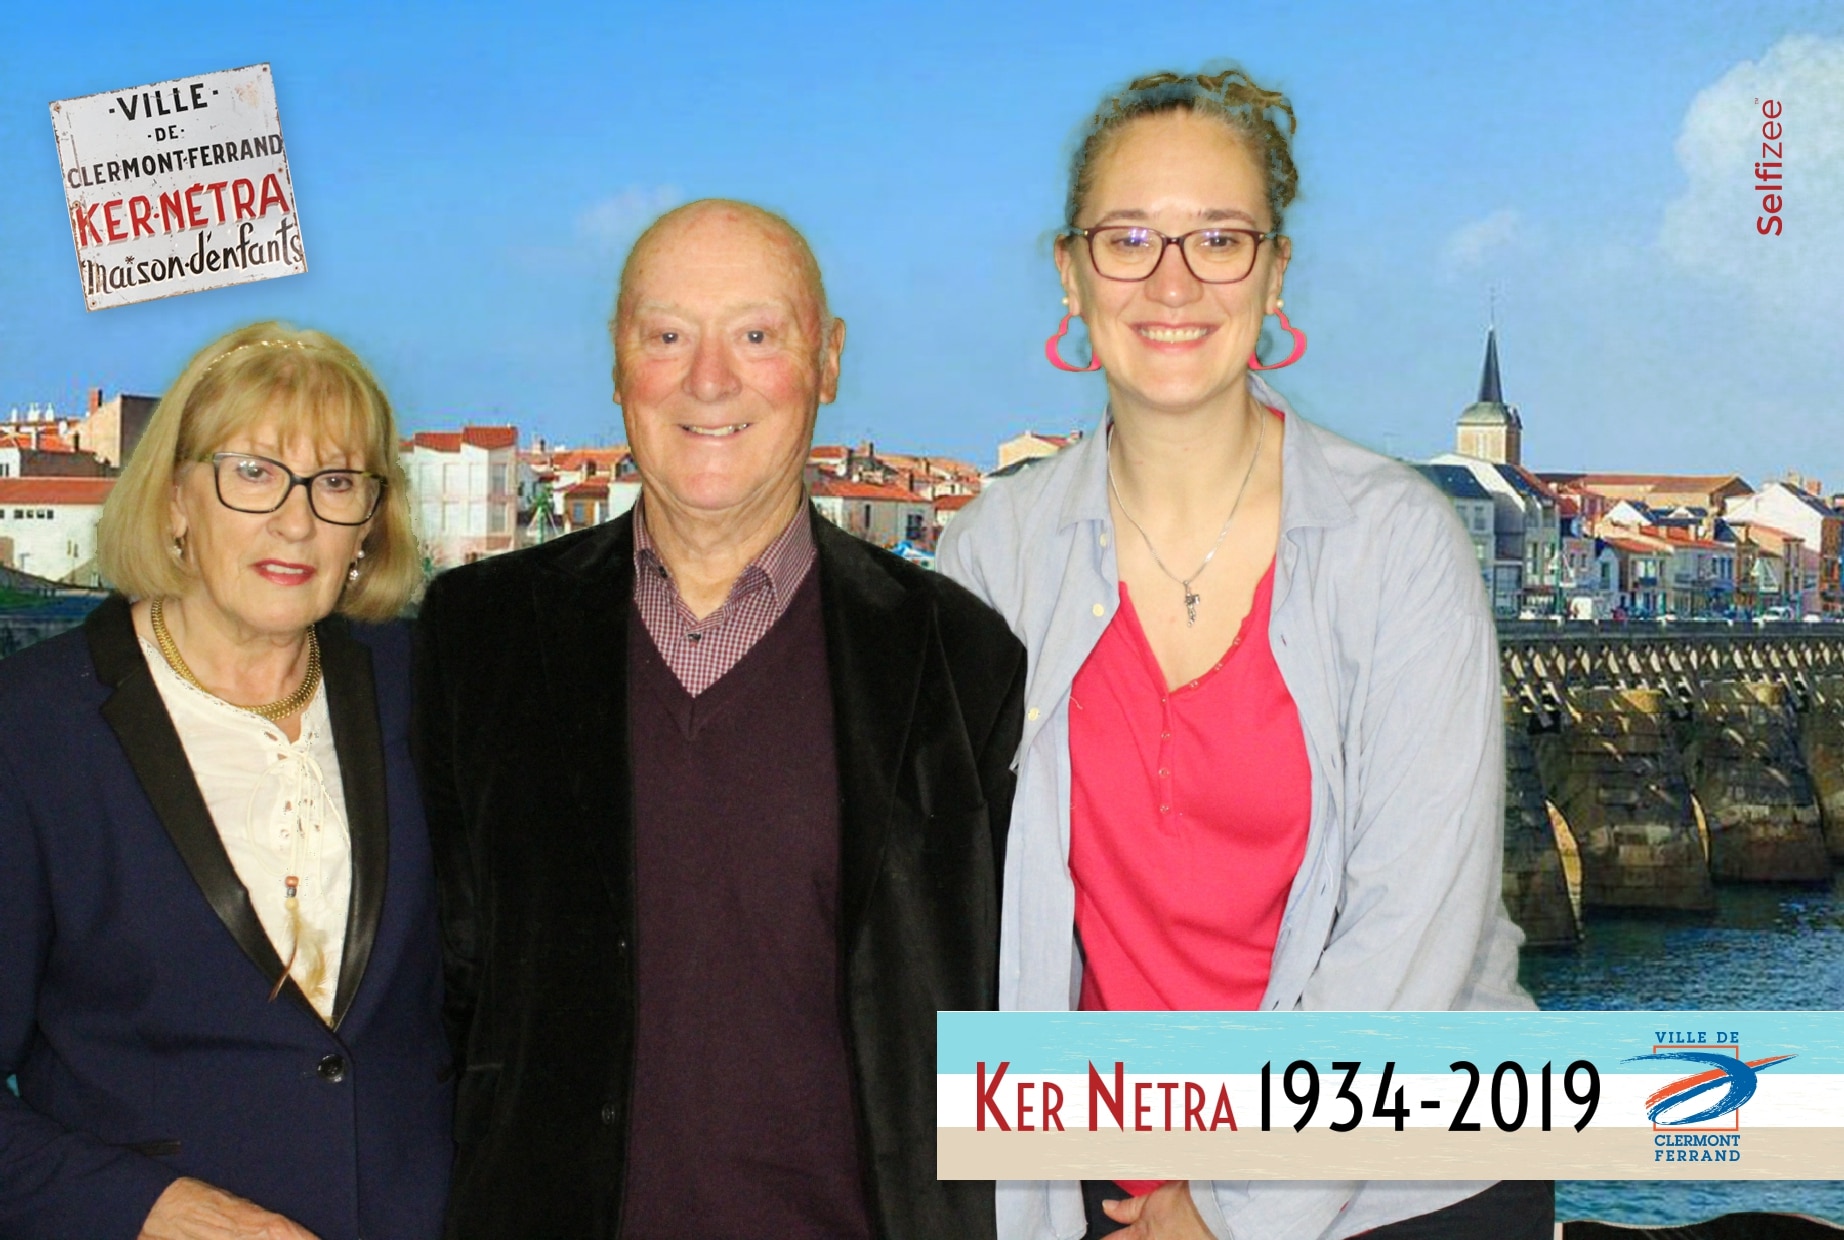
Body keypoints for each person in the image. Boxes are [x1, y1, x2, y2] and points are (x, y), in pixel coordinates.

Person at [938, 68, 1543, 1240]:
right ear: (1069, 273)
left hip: (1400, 1177)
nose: (1172, 281)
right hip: (1106, 1172)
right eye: (1128, 239)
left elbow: (1407, 933)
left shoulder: (1394, 543)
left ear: (1272, 275)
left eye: (1218, 238)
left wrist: (1228, 1207)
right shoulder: (993, 554)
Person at [415, 198, 1026, 1239]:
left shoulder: (957, 657)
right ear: (617, 363)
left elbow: (1012, 1004)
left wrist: (1230, 1179)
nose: (708, 380)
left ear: (827, 361)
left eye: (756, 334)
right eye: (666, 336)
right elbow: (430, 990)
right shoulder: (477, 637)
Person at [0, 323, 451, 1240]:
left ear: (370, 522)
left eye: (335, 483)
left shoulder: (424, 688)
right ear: (174, 500)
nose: (296, 520)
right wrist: (157, 1210)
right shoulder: (32, 730)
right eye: (253, 472)